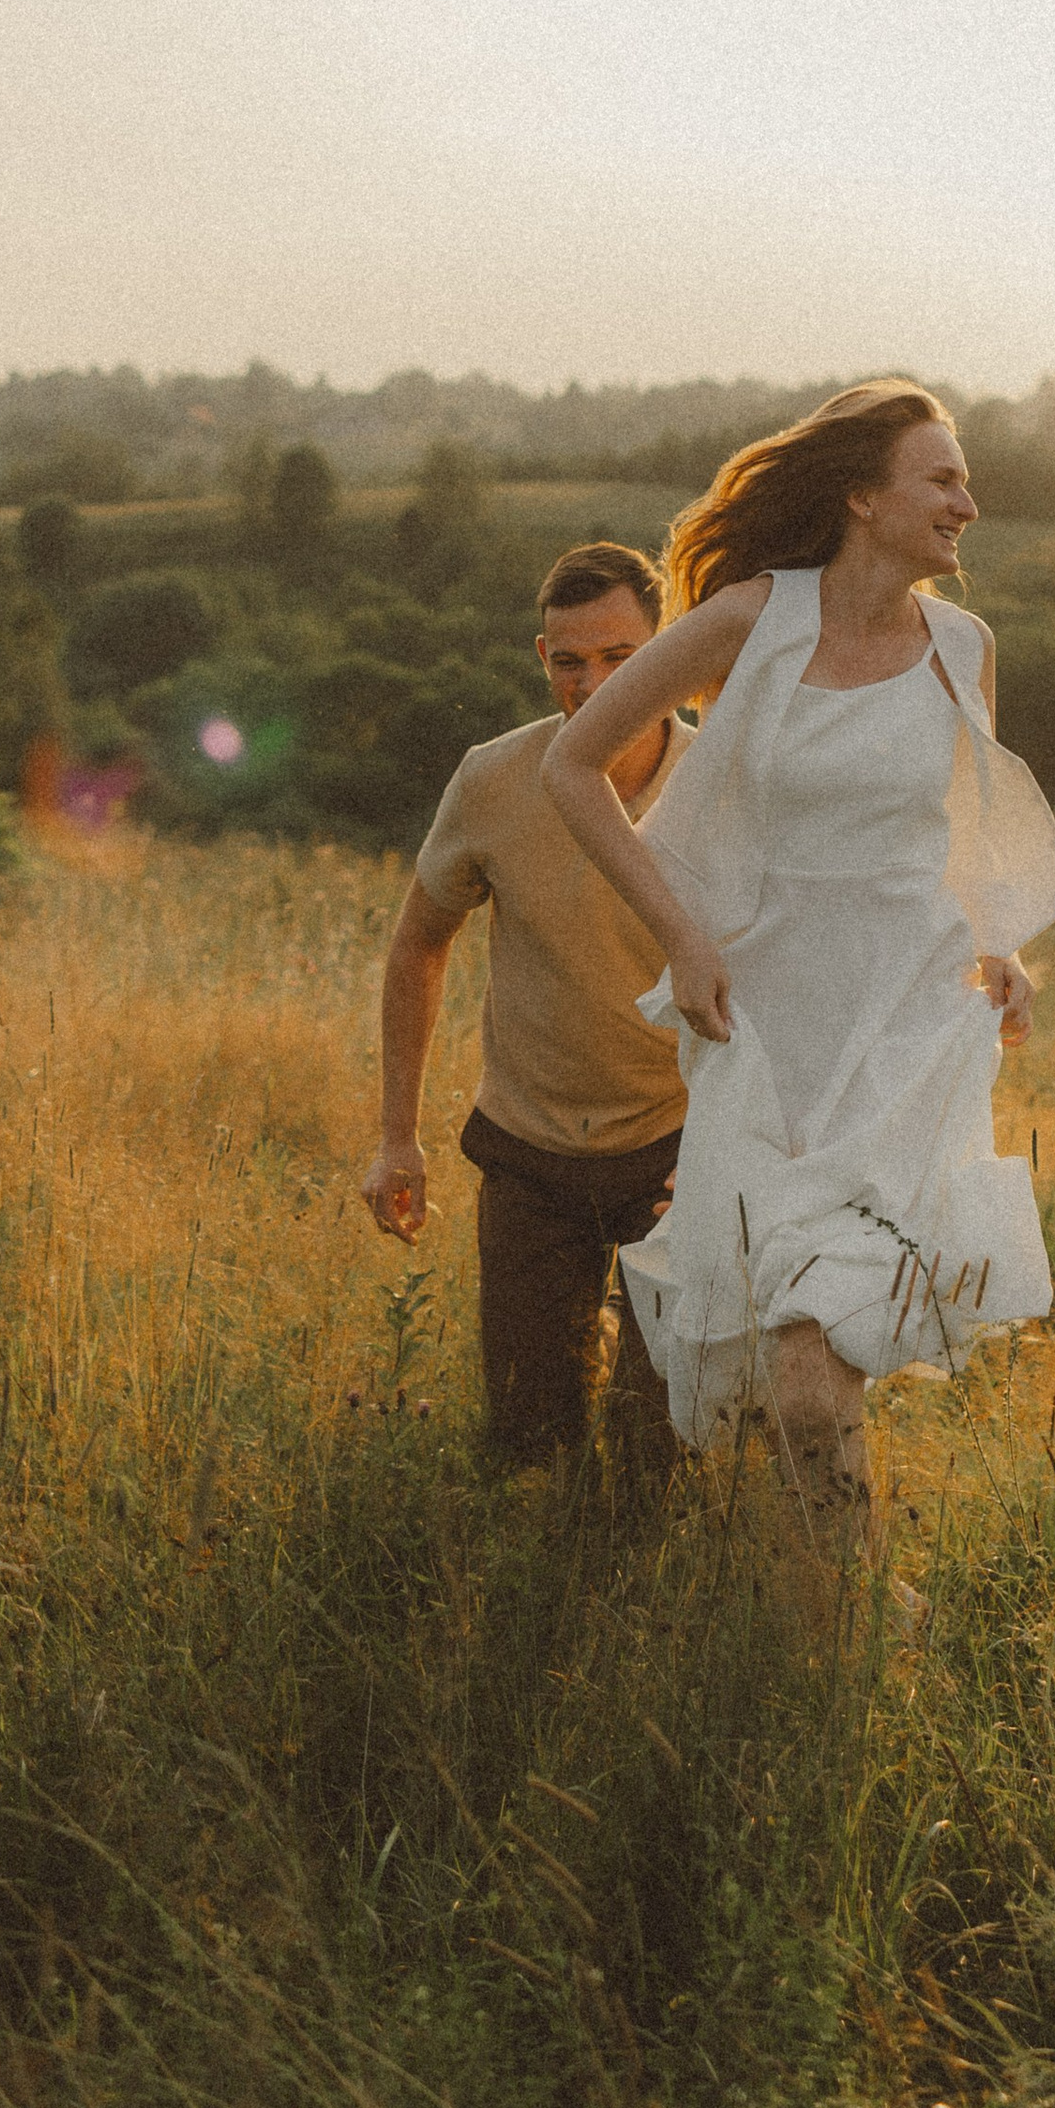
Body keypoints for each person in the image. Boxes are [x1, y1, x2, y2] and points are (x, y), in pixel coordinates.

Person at [543, 381, 1055, 1577]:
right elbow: (575, 767)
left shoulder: (962, 649)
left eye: (963, 482)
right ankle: (843, 1608)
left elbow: (967, 826)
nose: (966, 505)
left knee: (816, 1378)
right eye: (941, 480)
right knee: (795, 1380)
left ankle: (840, 1626)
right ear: (861, 498)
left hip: (904, 1040)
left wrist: (1003, 945)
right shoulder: (748, 620)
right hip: (769, 1043)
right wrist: (683, 938)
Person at [361, 541, 690, 1476]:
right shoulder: (493, 779)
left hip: (676, 1153)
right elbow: (419, 944)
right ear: (539, 658)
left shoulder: (721, 787)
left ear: (669, 649)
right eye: (569, 660)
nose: (594, 684)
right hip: (529, 1151)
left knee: (653, 1453)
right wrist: (398, 1136)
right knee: (525, 1445)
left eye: (624, 658)